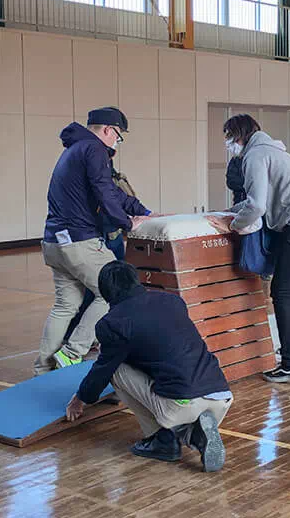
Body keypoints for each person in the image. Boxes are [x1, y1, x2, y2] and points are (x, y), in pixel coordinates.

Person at [65, 261, 232, 472]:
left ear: (106, 293)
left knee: (115, 368)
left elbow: (102, 371)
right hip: (220, 393)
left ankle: (161, 439)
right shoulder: (172, 301)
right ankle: (194, 435)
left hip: (182, 402)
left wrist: (79, 399)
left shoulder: (113, 323)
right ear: (137, 280)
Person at [207, 114, 290, 384]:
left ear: (238, 135)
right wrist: (230, 212)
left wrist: (231, 226)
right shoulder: (272, 150)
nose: (228, 144)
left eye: (228, 137)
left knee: (282, 290)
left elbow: (256, 207)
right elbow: (257, 201)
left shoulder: (254, 156)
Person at [34, 107, 151, 375]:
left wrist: (142, 211)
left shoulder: (74, 149)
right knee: (113, 291)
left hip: (53, 241)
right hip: (80, 240)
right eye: (118, 137)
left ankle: (42, 369)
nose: (116, 144)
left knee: (65, 306)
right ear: (108, 130)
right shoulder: (95, 150)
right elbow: (104, 193)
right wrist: (128, 222)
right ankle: (73, 352)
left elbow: (111, 191)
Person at [62, 162, 133, 346]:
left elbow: (121, 198)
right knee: (99, 290)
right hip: (100, 237)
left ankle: (92, 334)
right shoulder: (92, 168)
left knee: (104, 290)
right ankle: (78, 339)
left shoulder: (105, 169)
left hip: (112, 234)